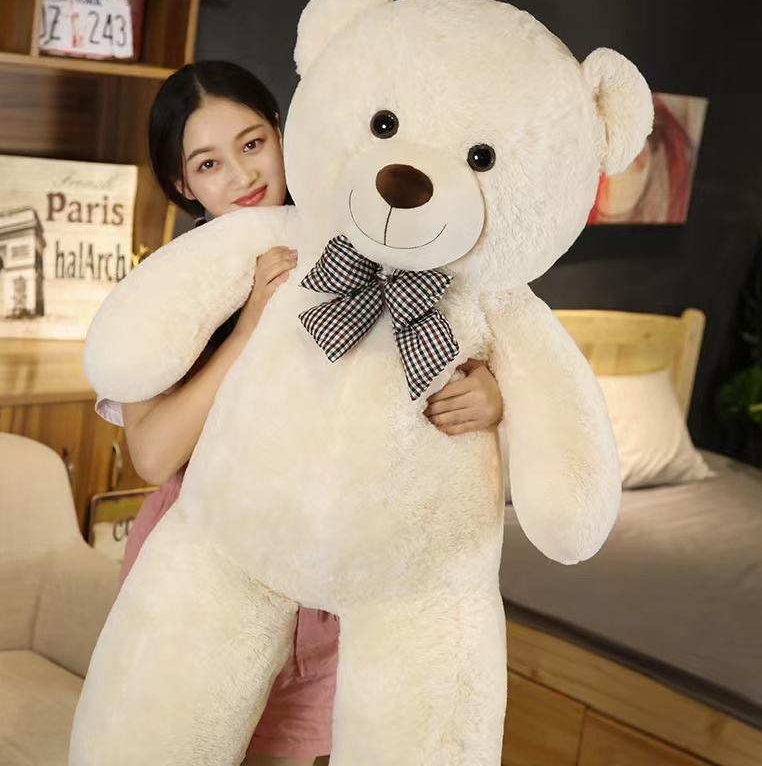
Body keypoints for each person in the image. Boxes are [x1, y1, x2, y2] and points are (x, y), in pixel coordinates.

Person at [94, 60, 505, 766]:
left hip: (328, 578)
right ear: (182, 185)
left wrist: (491, 393)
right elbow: (153, 455)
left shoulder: (366, 247)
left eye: (253, 144)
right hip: (202, 565)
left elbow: (442, 342)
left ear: (284, 133)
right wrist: (250, 326)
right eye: (208, 164)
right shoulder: (169, 292)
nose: (242, 175)